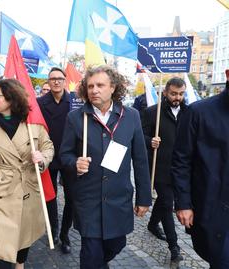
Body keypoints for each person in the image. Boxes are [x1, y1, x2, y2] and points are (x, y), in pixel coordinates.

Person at [59, 65, 151, 269]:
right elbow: (63, 154)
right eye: (90, 86)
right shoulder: (75, 118)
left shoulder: (131, 116)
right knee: (91, 255)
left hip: (118, 199)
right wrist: (74, 163)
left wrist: (144, 197)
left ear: (113, 87)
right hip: (88, 199)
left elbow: (141, 160)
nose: (94, 90)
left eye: (100, 85)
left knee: (117, 243)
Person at [0, 79, 54, 269]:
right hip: (0, 190)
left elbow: (48, 147)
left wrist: (42, 157)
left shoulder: (32, 122)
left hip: (27, 188)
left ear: (11, 99)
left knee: (23, 237)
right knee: (1, 248)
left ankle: (20, 264)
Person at [171, 70, 229, 269]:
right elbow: (181, 161)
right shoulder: (198, 112)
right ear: (228, 75)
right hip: (214, 209)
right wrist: (183, 203)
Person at [141, 77, 186, 262]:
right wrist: (149, 141)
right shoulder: (153, 112)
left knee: (164, 200)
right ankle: (174, 246)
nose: (177, 97)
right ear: (166, 92)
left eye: (181, 94)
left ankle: (152, 224)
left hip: (180, 168)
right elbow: (140, 135)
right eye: (174, 93)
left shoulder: (189, 112)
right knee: (168, 203)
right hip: (158, 168)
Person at [37, 67, 74, 254]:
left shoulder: (75, 102)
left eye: (59, 78)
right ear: (48, 82)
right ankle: (53, 230)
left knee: (72, 199)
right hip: (48, 157)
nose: (56, 82)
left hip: (69, 156)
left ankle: (65, 234)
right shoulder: (39, 103)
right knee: (49, 197)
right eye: (52, 79)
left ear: (65, 80)